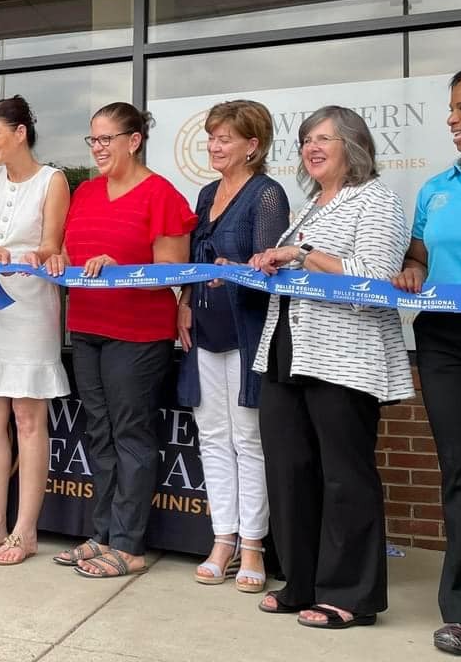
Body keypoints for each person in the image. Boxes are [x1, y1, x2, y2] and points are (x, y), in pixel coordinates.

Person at [250, 106, 413, 628]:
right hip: (286, 349)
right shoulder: (308, 205)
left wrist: (302, 252)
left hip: (345, 355)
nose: (311, 148)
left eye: (324, 139)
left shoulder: (377, 199)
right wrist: (266, 264)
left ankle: (349, 594)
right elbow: (299, 263)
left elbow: (376, 278)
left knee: (345, 475)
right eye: (305, 140)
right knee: (290, 470)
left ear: (354, 146)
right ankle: (300, 582)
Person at [47, 102, 197, 578]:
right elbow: (69, 250)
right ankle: (103, 534)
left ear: (134, 141)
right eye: (92, 140)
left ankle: (129, 545)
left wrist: (122, 269)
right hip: (88, 327)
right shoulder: (86, 192)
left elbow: (171, 272)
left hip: (137, 334)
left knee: (131, 435)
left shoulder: (161, 195)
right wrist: (53, 257)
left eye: (106, 139)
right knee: (99, 433)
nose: (98, 149)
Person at [175, 100, 289, 592]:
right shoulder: (205, 193)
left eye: (225, 138)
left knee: (249, 440)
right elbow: (194, 259)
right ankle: (222, 539)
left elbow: (267, 269)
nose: (214, 145)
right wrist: (184, 299)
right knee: (213, 438)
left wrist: (234, 275)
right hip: (203, 328)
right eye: (212, 136)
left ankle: (253, 547)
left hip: (247, 333)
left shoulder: (267, 194)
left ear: (252, 145)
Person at [0, 95, 71, 565]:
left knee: (28, 417)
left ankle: (25, 530)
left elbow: (51, 243)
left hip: (32, 303)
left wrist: (29, 257)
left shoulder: (54, 180)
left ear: (20, 133)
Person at [392, 67, 461, 656]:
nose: (453, 118)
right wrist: (414, 268)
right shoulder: (436, 187)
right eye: (452, 108)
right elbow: (418, 254)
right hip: (445, 341)